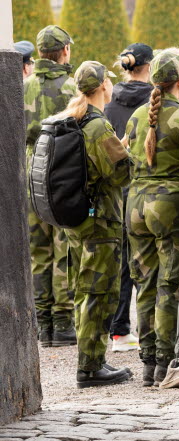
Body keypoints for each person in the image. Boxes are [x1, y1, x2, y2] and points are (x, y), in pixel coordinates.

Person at [53, 61, 133, 388]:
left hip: (79, 220)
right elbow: (121, 174)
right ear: (102, 87)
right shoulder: (99, 126)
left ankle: (91, 360)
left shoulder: (71, 118)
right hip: (101, 222)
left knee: (84, 291)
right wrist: (126, 149)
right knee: (101, 292)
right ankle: (91, 366)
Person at [125, 48, 179, 387]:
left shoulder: (137, 115)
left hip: (136, 204)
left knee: (145, 283)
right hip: (172, 206)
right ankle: (167, 360)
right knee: (171, 283)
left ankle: (147, 362)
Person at [23, 25, 77, 347]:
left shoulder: (23, 86)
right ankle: (63, 322)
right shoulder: (71, 88)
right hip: (62, 178)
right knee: (64, 249)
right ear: (65, 51)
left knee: (38, 253)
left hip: (31, 176)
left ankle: (42, 326)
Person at [105, 42, 154, 353]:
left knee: (122, 262)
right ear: (148, 66)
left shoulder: (109, 102)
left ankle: (120, 330)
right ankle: (155, 333)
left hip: (120, 193)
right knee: (153, 264)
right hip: (150, 191)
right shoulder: (157, 100)